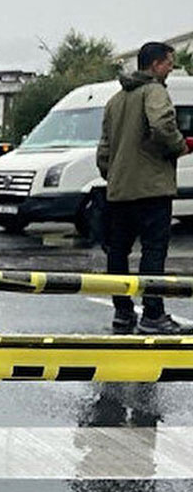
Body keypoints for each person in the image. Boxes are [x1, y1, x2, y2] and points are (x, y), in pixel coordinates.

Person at [97, 42, 191, 334]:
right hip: (151, 189)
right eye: (168, 63)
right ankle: (153, 314)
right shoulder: (155, 91)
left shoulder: (115, 100)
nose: (171, 68)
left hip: (119, 190)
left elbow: (104, 149)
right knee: (153, 251)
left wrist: (113, 175)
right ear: (154, 65)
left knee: (118, 252)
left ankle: (123, 313)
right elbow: (162, 126)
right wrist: (178, 147)